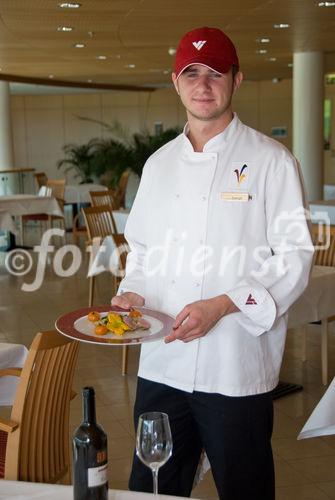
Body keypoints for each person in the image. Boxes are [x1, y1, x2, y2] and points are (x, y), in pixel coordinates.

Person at [111, 26, 314, 500]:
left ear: (236, 80)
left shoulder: (272, 161)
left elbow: (295, 257)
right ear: (176, 82)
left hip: (235, 367)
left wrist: (223, 305)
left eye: (216, 73)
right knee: (151, 487)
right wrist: (133, 290)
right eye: (192, 73)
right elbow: (141, 250)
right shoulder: (159, 166)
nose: (204, 85)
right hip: (162, 362)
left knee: (246, 489)